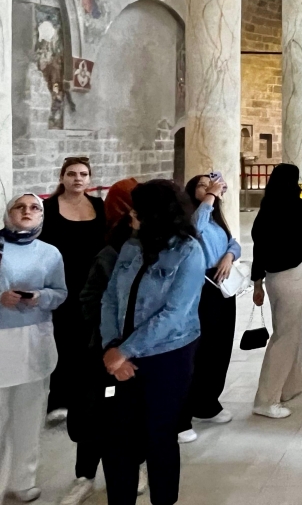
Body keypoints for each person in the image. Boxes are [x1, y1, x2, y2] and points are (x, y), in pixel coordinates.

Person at [99, 180, 206, 505]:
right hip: (119, 352)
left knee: (158, 435)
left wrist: (125, 351)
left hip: (167, 356)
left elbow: (175, 312)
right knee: (117, 438)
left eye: (138, 209)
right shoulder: (132, 246)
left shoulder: (188, 251)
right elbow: (110, 298)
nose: (131, 214)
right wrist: (112, 347)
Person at [61, 179, 143, 505]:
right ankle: (85, 475)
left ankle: (135, 465)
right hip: (105, 348)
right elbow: (91, 299)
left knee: (133, 412)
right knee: (95, 410)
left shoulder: (162, 250)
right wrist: (111, 343)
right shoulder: (111, 252)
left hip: (140, 348)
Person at [251, 160, 302, 419]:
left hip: (272, 278)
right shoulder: (301, 208)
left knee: (291, 329)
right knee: (285, 336)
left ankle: (291, 385)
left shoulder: (266, 210)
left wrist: (257, 283)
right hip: (292, 276)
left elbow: (258, 249)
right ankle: (266, 400)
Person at [0, 193, 67, 503]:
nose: (27, 211)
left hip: (34, 342)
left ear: (42, 216)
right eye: (20, 207)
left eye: (35, 208)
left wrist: (40, 297)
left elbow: (60, 292)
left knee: (29, 417)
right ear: (8, 213)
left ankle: (22, 481)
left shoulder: (50, 253)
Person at [176, 174, 242, 443]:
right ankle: (187, 407)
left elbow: (233, 241)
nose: (208, 188)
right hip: (200, 286)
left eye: (210, 184)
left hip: (222, 285)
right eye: (202, 185)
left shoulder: (215, 217)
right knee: (200, 349)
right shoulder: (191, 217)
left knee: (220, 346)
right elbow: (194, 228)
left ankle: (207, 401)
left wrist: (229, 255)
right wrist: (211, 196)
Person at [40, 156, 106, 423]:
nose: (77, 179)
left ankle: (86, 397)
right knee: (63, 338)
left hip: (94, 283)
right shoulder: (48, 207)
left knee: (89, 339)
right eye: (71, 174)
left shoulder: (98, 206)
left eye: (83, 174)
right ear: (62, 177)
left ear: (89, 179)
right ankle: (59, 398)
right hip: (61, 281)